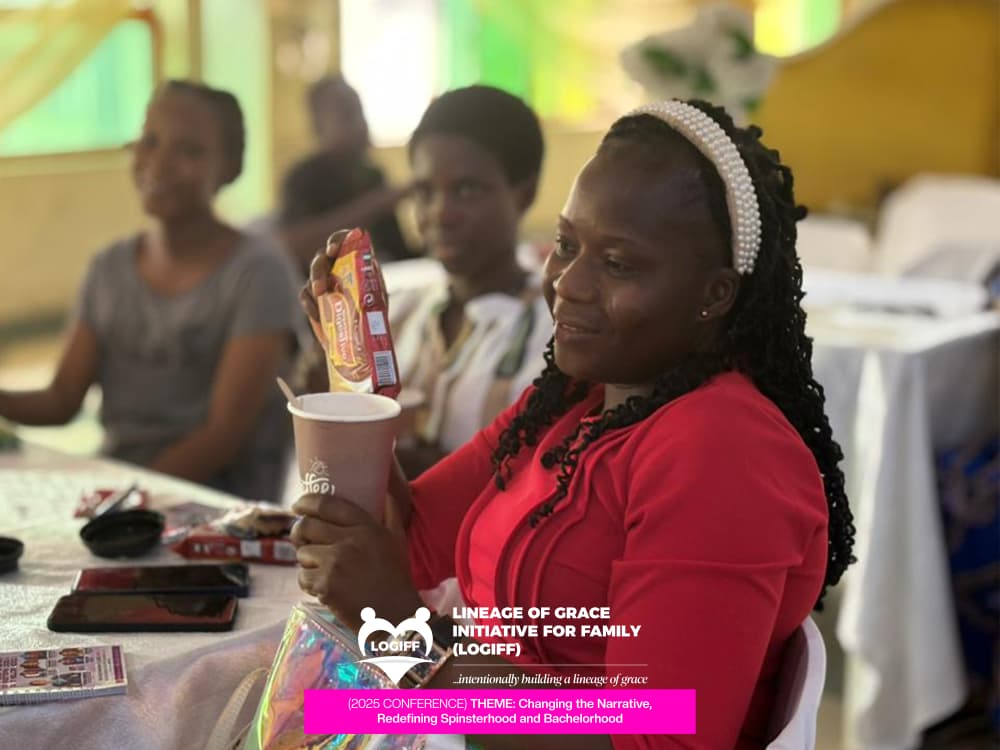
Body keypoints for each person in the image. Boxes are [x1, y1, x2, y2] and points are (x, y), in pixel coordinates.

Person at [293, 98, 857, 748]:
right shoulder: (578, 402)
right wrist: (357, 385)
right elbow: (408, 547)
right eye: (565, 245)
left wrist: (399, 632)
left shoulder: (724, 451)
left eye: (617, 264)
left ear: (714, 294)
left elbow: (652, 739)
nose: (567, 283)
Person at [0, 81, 301, 500]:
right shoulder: (109, 268)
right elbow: (62, 399)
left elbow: (223, 436)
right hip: (121, 497)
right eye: (150, 141)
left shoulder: (258, 272)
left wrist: (121, 499)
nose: (159, 164)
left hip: (219, 510)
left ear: (230, 168)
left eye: (189, 151)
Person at [382, 84, 550, 477]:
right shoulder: (396, 314)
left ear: (524, 194)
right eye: (424, 192)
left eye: (467, 190)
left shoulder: (556, 334)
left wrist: (435, 473)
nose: (440, 213)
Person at [277, 74, 411, 274]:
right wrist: (376, 204)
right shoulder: (303, 178)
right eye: (347, 115)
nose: (360, 124)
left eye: (361, 112)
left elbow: (399, 254)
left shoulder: (372, 175)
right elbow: (294, 245)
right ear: (319, 126)